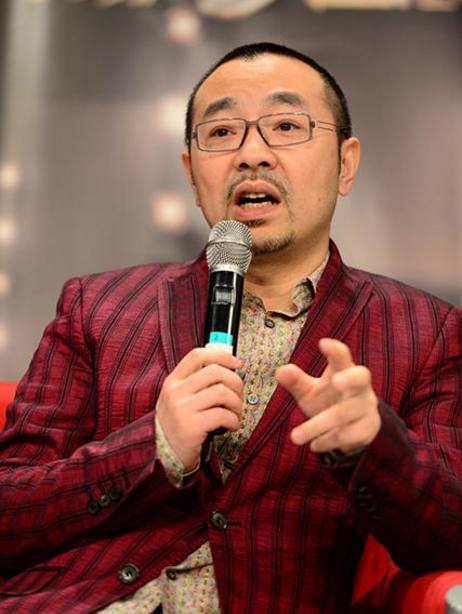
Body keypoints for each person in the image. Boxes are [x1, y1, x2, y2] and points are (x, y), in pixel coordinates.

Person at [0, 41, 461, 614]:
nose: (252, 155)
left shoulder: (427, 331)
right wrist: (153, 445)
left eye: (286, 126)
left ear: (346, 164)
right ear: (192, 174)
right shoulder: (97, 306)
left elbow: (450, 536)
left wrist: (374, 447)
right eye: (221, 133)